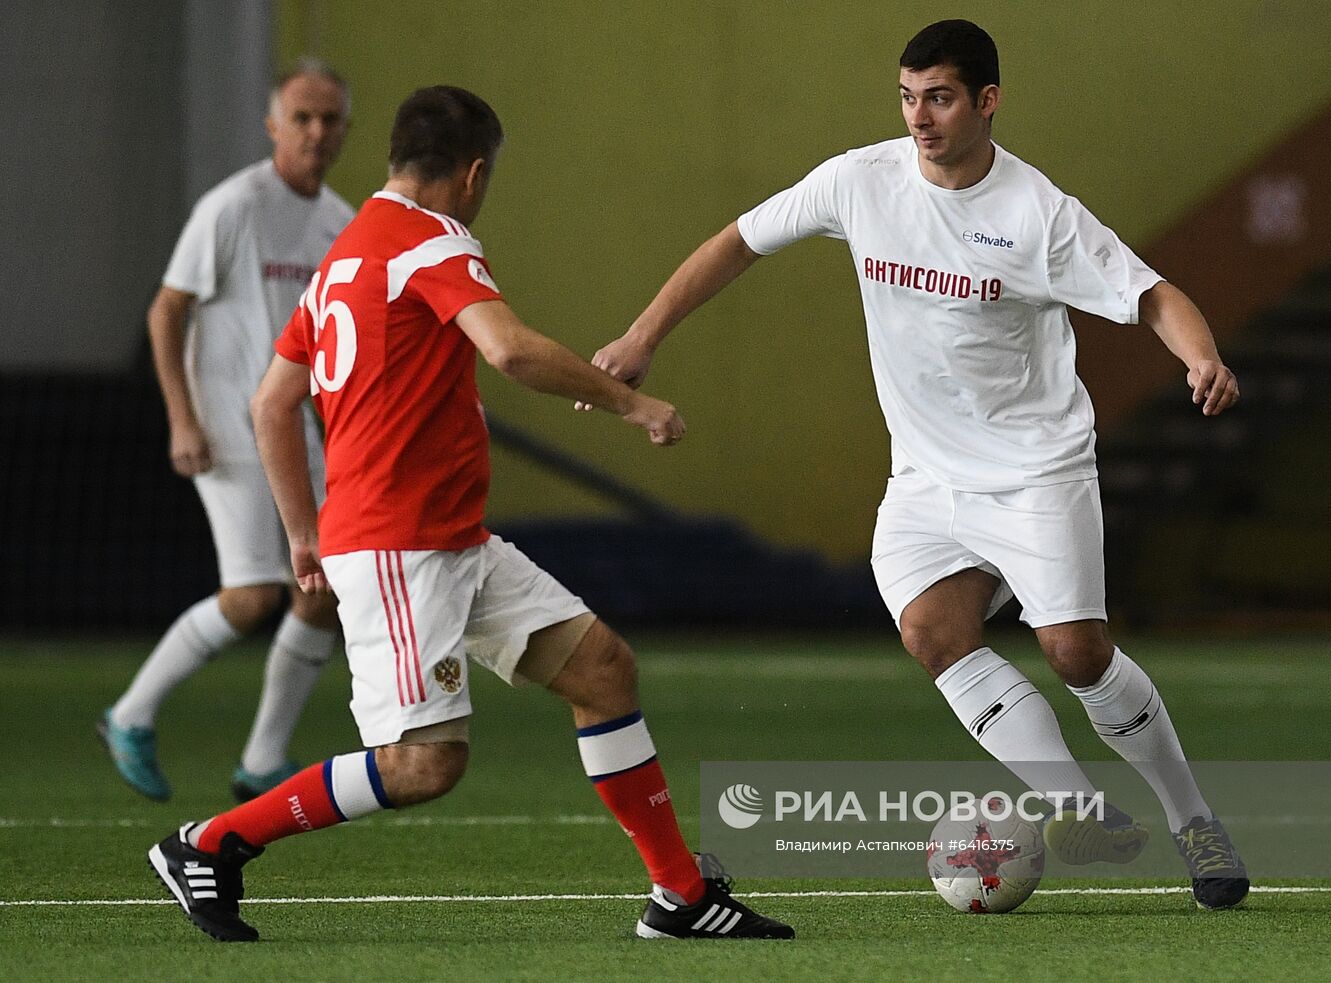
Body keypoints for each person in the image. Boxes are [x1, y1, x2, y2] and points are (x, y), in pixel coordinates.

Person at [588, 20, 1248, 910]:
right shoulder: (861, 181)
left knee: (1077, 653)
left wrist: (1199, 357)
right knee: (935, 632)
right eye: (907, 96)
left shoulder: (1036, 214)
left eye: (939, 97)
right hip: (926, 479)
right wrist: (642, 334)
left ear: (987, 101)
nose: (919, 118)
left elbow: (1152, 294)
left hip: (1035, 470)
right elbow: (738, 240)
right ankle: (1079, 808)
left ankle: (1192, 816)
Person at [146, 85, 794, 943]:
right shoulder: (428, 239)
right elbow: (510, 348)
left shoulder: (347, 251)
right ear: (474, 173)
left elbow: (272, 402)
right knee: (424, 764)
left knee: (602, 669)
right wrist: (631, 405)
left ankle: (680, 894)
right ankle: (211, 843)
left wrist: (304, 532)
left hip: (446, 537)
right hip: (401, 543)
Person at [100, 60, 356, 804]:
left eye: (329, 119)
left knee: (320, 589)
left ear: (344, 130)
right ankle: (129, 714)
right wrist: (182, 416)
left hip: (293, 430)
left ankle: (262, 760)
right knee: (250, 597)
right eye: (301, 118)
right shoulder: (232, 206)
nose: (315, 131)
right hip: (227, 426)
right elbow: (165, 310)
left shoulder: (340, 222)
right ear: (273, 125)